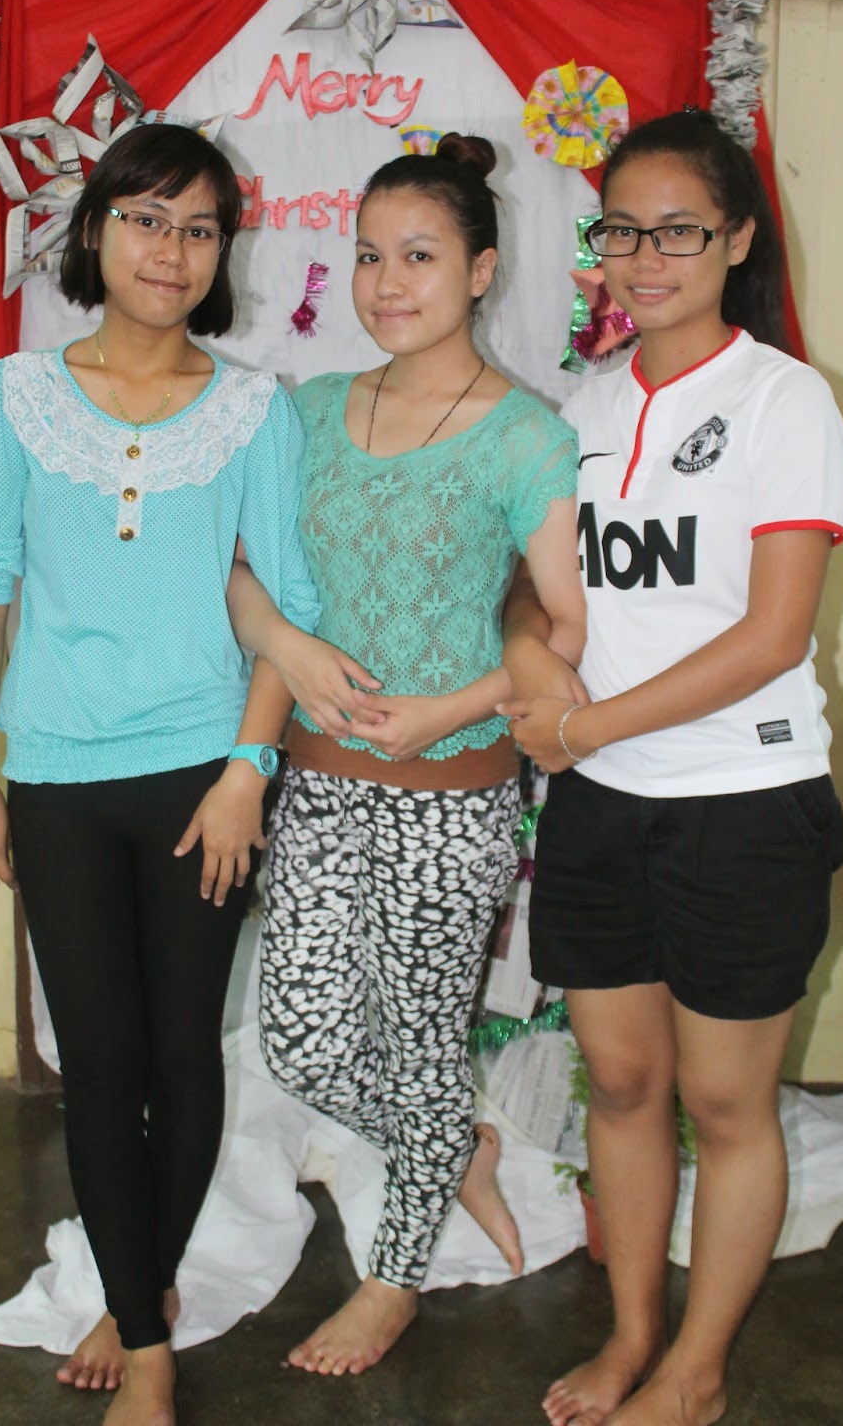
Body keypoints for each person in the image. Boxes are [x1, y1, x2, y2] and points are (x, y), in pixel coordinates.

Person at [0, 124, 318, 1426]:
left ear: (223, 254)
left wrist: (248, 769)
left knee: (181, 1055)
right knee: (100, 1064)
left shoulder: (254, 410)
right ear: (97, 229)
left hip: (201, 777)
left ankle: (139, 1312)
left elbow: (286, 604)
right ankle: (145, 1317)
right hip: (56, 779)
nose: (172, 250)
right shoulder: (13, 397)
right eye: (148, 219)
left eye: (199, 228)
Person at [499, 108, 843, 1426]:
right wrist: (529, 658)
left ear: (737, 240)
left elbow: (770, 635)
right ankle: (633, 1335)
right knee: (626, 1084)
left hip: (742, 805)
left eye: (678, 231)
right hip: (601, 812)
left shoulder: (781, 399)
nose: (644, 259)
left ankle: (695, 1374)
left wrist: (585, 728)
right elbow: (535, 590)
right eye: (621, 232)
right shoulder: (582, 409)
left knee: (723, 1098)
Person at [228, 134, 587, 1377]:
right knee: (302, 1040)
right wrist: (287, 645)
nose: (387, 282)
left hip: (452, 792)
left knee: (424, 1037)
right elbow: (244, 575)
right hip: (316, 784)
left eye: (419, 256)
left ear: (481, 270)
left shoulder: (527, 437)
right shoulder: (307, 412)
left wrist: (451, 709)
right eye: (369, 254)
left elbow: (565, 628)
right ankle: (453, 1141)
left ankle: (392, 1280)